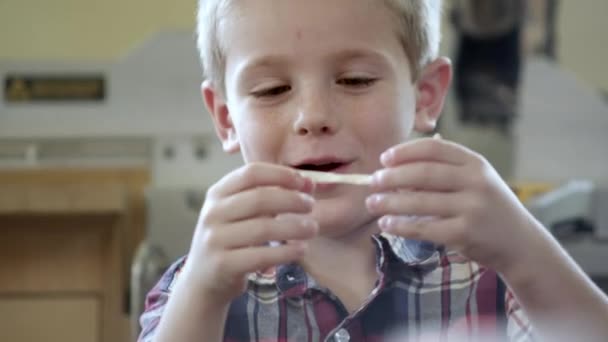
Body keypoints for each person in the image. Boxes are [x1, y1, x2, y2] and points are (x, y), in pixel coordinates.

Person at [138, 0, 608, 341]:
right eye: (272, 89)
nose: (313, 115)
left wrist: (523, 248)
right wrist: (201, 294)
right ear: (225, 118)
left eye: (355, 80)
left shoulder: (494, 272)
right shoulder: (198, 288)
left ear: (425, 96)